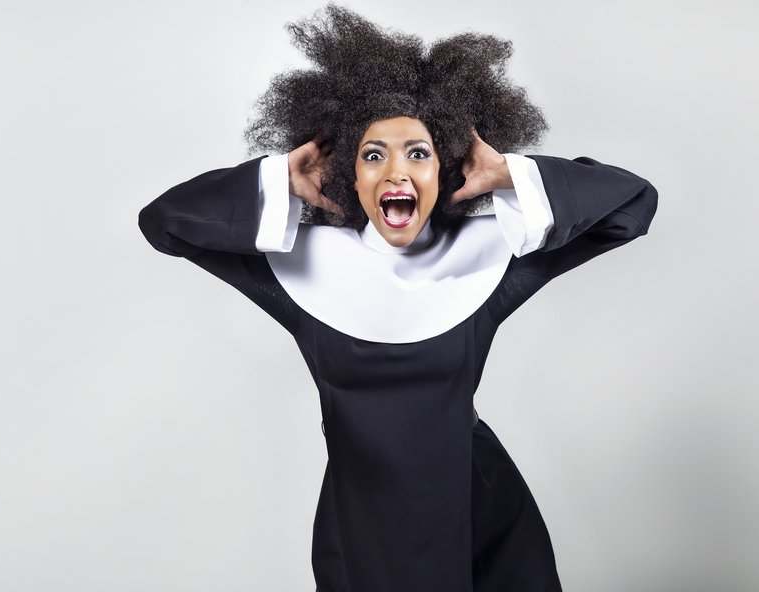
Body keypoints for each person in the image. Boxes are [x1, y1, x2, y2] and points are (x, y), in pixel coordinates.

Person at [137, 5, 658, 591]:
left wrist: (510, 174)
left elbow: (632, 207)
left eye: (418, 152)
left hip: (477, 511)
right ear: (348, 174)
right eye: (372, 154)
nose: (396, 173)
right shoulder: (301, 268)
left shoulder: (487, 259)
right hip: (359, 521)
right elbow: (164, 224)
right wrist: (279, 178)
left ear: (446, 169)